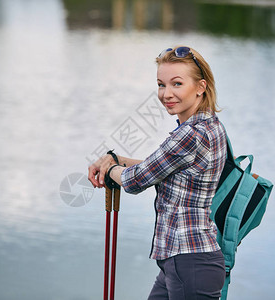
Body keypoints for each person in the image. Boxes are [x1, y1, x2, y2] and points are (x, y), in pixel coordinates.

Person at [88, 46, 227, 300]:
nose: (166, 94)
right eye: (161, 85)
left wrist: (111, 170)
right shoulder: (209, 125)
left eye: (177, 84)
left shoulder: (191, 134)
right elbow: (162, 168)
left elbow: (137, 180)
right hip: (180, 261)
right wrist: (116, 159)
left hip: (190, 261)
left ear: (200, 86)